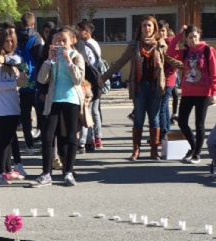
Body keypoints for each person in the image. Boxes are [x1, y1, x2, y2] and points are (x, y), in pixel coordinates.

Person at [101, 16, 179, 161]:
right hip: (140, 88)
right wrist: (104, 77)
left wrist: (185, 67)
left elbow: (170, 60)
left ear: (154, 28)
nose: (147, 28)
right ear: (140, 28)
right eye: (144, 26)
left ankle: (154, 151)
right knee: (139, 120)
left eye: (149, 25)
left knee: (155, 119)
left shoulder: (160, 44)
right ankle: (136, 150)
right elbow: (120, 62)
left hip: (156, 87)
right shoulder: (134, 45)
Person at [34, 27, 85, 187]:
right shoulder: (52, 58)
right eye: (57, 40)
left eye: (64, 40)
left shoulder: (77, 56)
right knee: (47, 137)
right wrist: (49, 61)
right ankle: (46, 173)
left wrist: (69, 62)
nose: (60, 43)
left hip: (71, 100)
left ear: (72, 41)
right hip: (53, 101)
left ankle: (68, 172)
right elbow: (41, 79)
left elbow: (78, 80)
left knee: (70, 137)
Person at [168, 25, 216, 164]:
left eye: (195, 37)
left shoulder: (208, 50)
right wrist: (178, 35)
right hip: (187, 92)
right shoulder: (185, 52)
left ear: (199, 36)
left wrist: (213, 92)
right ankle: (193, 147)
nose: (193, 40)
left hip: (203, 93)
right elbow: (170, 51)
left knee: (199, 124)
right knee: (182, 121)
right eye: (190, 37)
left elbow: (215, 73)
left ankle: (197, 154)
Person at [0, 29, 26, 185]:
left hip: (14, 106)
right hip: (3, 108)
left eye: (12, 41)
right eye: (6, 41)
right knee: (4, 141)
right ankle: (1, 172)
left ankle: (9, 170)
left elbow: (19, 60)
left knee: (9, 140)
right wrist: (15, 84)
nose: (9, 43)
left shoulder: (13, 60)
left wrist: (22, 81)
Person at [16, 12, 45, 154]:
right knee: (41, 113)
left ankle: (29, 144)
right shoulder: (37, 38)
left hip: (20, 81)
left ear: (22, 23)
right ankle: (44, 140)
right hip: (36, 80)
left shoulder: (15, 37)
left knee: (25, 116)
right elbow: (41, 59)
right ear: (33, 24)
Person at [77, 19, 103, 152]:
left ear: (87, 32)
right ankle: (95, 138)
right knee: (94, 112)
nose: (78, 32)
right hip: (95, 82)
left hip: (89, 83)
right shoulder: (94, 44)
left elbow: (87, 66)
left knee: (87, 111)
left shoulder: (85, 45)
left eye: (80, 30)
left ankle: (86, 141)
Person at [158, 21, 177, 140]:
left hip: (167, 79)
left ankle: (164, 134)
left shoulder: (170, 43)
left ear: (167, 31)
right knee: (164, 107)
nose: (161, 33)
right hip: (160, 80)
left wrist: (165, 77)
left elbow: (173, 65)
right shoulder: (159, 43)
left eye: (163, 31)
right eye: (159, 31)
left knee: (162, 108)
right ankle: (165, 132)